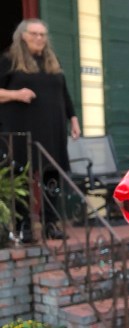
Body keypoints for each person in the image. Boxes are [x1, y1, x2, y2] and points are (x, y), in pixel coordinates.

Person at [0, 19, 81, 240]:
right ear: (22, 36)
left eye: (43, 35)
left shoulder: (52, 61)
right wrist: (15, 95)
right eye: (34, 34)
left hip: (52, 129)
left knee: (51, 175)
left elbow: (63, 93)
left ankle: (50, 224)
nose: (39, 38)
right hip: (21, 131)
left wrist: (73, 118)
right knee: (22, 176)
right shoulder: (9, 61)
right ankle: (24, 225)